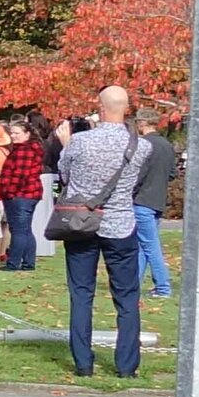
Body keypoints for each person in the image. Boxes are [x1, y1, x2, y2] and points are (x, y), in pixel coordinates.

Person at [53, 83, 155, 380]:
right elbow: (136, 182)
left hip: (82, 223)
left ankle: (83, 363)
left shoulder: (80, 142)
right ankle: (127, 366)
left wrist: (65, 145)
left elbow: (66, 176)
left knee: (81, 293)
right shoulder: (141, 146)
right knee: (126, 296)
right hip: (120, 224)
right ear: (127, 109)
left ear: (99, 107)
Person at [0, 111, 47, 268]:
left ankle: (13, 263)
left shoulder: (24, 150)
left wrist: (9, 193)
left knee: (18, 231)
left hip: (21, 195)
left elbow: (19, 175)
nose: (13, 136)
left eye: (16, 133)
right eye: (12, 133)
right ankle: (28, 263)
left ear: (27, 134)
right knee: (25, 230)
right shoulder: (27, 148)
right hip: (28, 194)